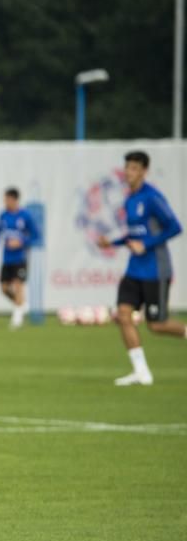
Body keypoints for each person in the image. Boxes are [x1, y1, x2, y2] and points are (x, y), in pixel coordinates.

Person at [96, 151, 184, 386]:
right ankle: (141, 372)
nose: (128, 173)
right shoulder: (129, 199)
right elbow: (133, 235)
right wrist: (111, 243)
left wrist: (146, 244)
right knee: (123, 315)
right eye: (127, 168)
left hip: (156, 270)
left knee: (157, 325)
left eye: (134, 168)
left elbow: (175, 227)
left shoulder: (153, 198)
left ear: (144, 171)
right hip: (134, 270)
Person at [0, 187, 40, 329]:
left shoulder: (25, 216)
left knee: (18, 286)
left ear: (14, 199)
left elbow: (36, 237)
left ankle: (17, 318)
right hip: (7, 259)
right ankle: (22, 305)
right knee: (4, 289)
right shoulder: (3, 215)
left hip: (20, 258)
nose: (5, 202)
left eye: (7, 199)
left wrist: (21, 242)